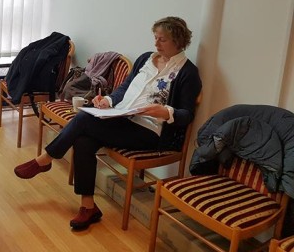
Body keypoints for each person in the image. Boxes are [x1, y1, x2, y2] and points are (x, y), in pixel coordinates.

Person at [14, 16, 202, 231]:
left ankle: (46, 159)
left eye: (162, 40)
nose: (156, 43)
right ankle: (88, 206)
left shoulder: (187, 72)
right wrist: (108, 100)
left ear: (178, 41)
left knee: (83, 119)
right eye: (155, 38)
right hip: (123, 118)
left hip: (150, 132)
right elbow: (125, 87)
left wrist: (166, 111)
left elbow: (187, 114)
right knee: (83, 140)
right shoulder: (146, 59)